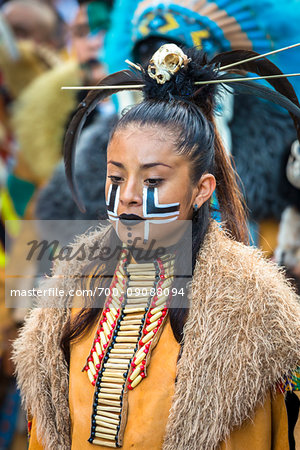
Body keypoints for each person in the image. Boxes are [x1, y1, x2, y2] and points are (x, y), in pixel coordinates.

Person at [13, 44, 300, 449]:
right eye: (116, 177)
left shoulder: (255, 310)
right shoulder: (70, 292)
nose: (128, 196)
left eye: (152, 182)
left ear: (202, 190)